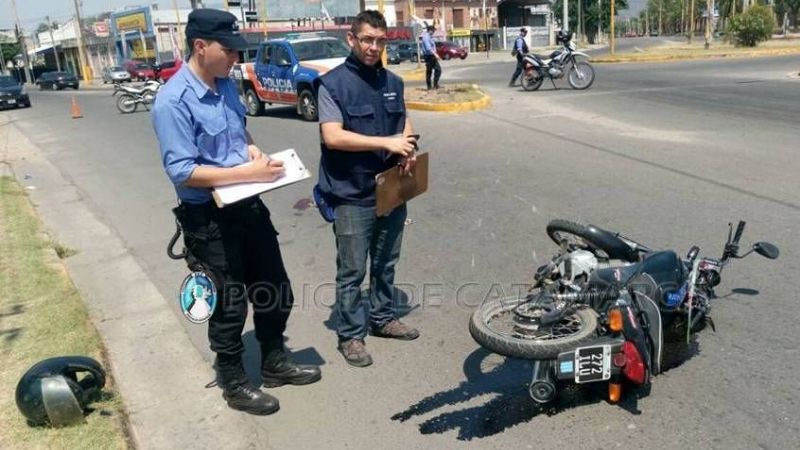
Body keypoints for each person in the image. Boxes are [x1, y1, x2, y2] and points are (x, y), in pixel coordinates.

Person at [151, 8, 320, 416]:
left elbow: (235, 130)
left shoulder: (225, 84)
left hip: (247, 205)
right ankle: (234, 382)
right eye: (228, 50)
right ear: (200, 46)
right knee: (229, 305)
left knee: (275, 288)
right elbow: (182, 170)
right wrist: (247, 171)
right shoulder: (172, 101)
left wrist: (251, 147)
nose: (234, 57)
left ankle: (274, 361)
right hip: (209, 218)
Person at [315, 10, 420, 368]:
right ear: (352, 39)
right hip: (351, 193)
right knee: (352, 270)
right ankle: (350, 336)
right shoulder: (332, 84)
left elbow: (404, 123)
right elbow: (332, 136)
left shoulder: (393, 82)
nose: (374, 47)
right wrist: (387, 142)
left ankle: (382, 318)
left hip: (391, 188)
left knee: (387, 262)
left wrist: (408, 148)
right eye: (367, 40)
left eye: (380, 40)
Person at [421, 24, 441, 90]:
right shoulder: (426, 37)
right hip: (429, 56)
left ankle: (435, 84)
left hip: (432, 55)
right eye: (433, 30)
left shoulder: (430, 36)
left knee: (437, 69)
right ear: (430, 30)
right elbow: (428, 48)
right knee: (430, 71)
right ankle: (429, 86)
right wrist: (436, 55)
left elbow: (433, 46)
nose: (434, 32)